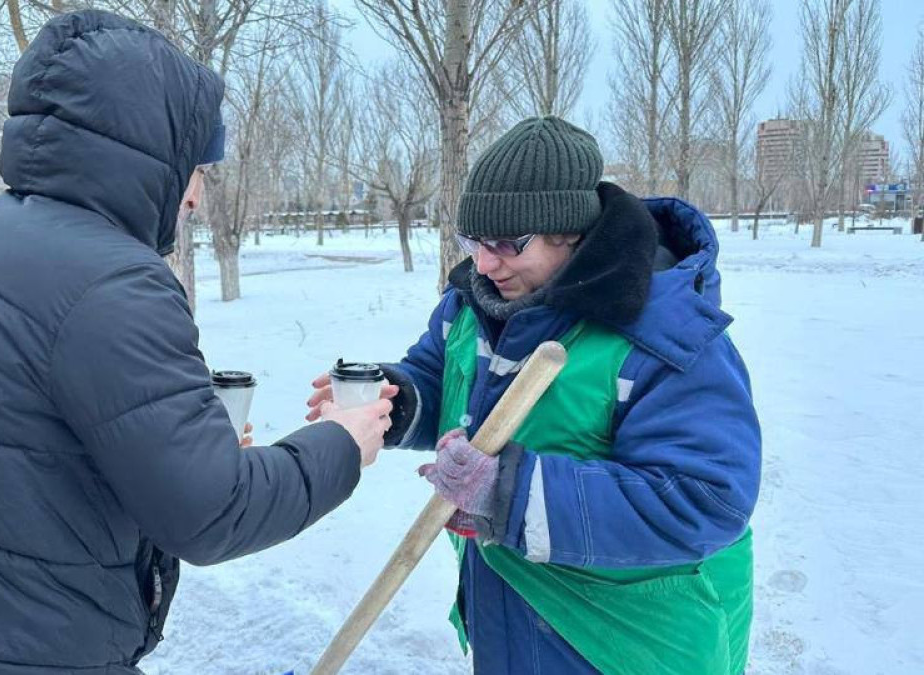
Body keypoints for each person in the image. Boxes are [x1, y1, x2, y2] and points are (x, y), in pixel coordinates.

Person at [0, 11, 393, 674]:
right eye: (198, 167)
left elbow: (19, 456)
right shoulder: (113, 281)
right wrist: (343, 443)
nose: (196, 195)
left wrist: (174, 446)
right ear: (152, 154)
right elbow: (212, 511)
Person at [308, 116, 761, 674]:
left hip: (628, 641)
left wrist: (508, 493)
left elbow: (704, 500)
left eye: (505, 244)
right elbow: (442, 377)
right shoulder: (470, 305)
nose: (482, 262)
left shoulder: (666, 335)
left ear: (568, 232)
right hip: (514, 613)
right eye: (472, 240)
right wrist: (395, 402)